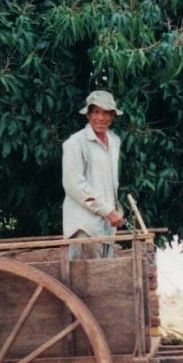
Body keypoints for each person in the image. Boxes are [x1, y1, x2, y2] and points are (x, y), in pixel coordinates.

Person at [62, 90, 125, 259]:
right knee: (84, 283)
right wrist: (107, 211)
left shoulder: (114, 141)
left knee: (103, 281)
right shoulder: (75, 143)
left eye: (106, 113)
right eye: (96, 112)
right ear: (88, 115)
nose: (101, 118)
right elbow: (74, 185)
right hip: (85, 228)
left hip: (106, 229)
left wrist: (114, 211)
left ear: (113, 116)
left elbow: (110, 185)